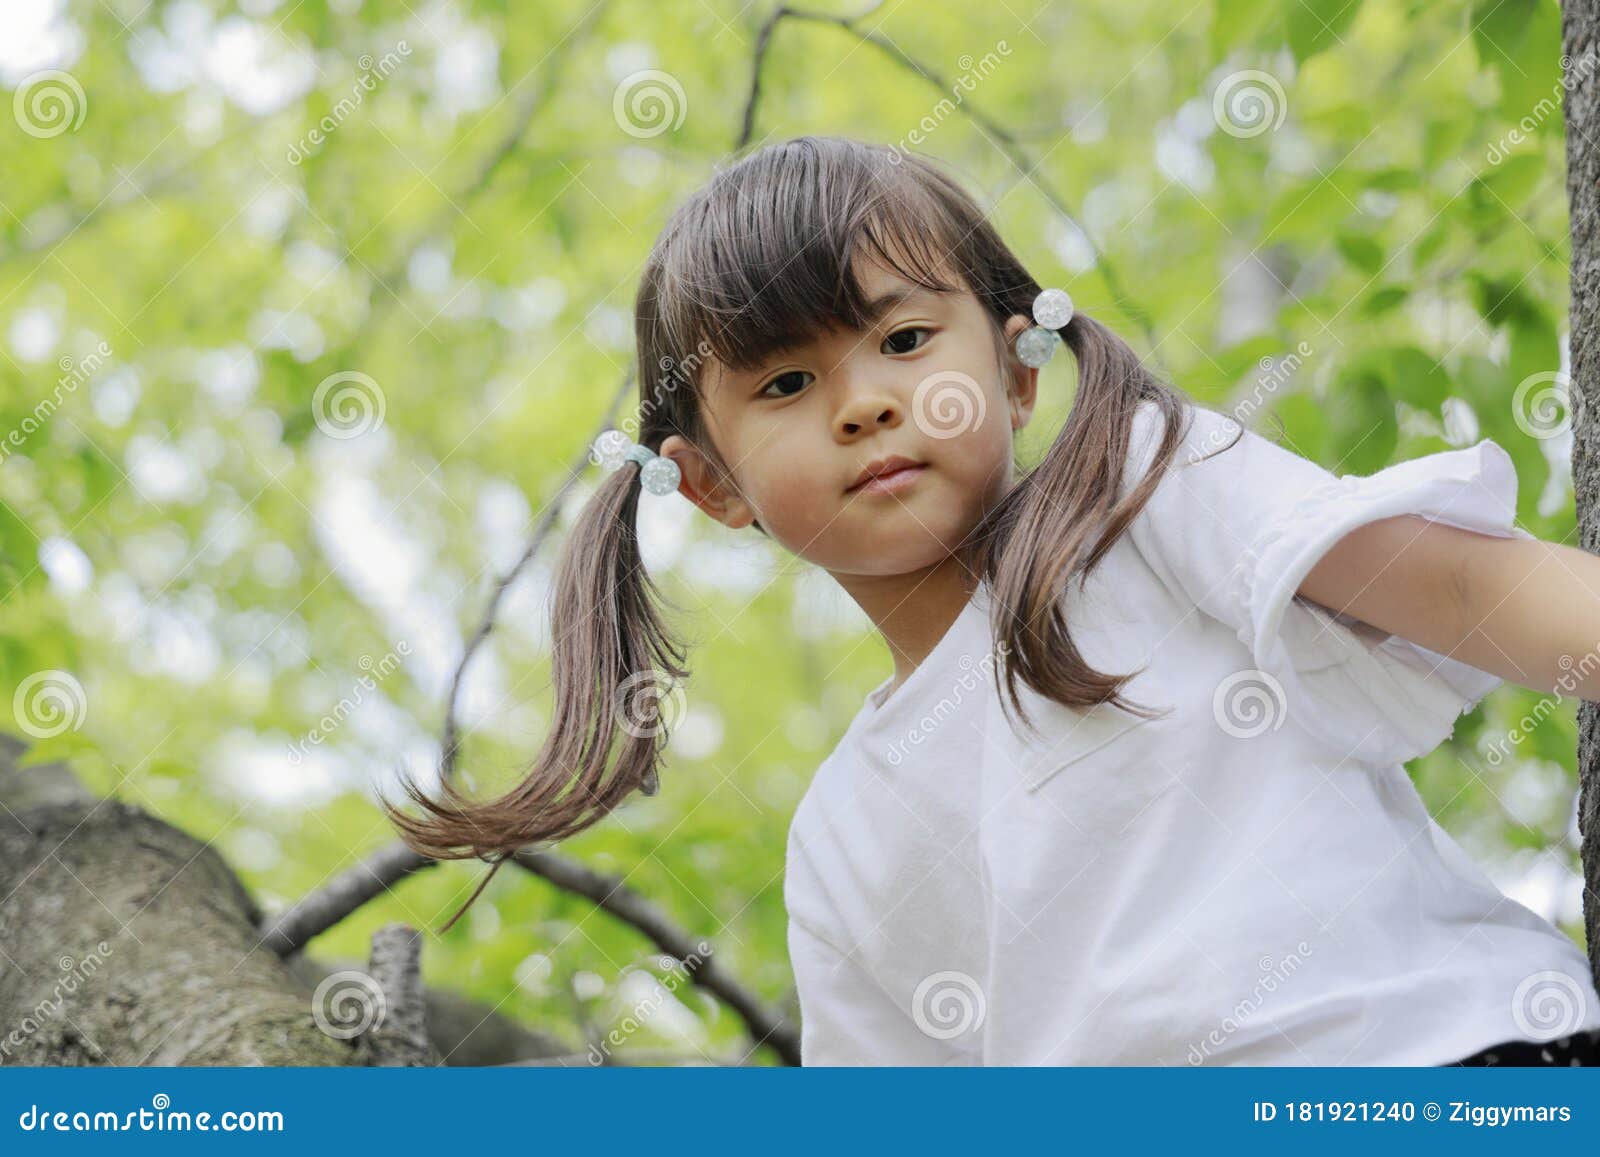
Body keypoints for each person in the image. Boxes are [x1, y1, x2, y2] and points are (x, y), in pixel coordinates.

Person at [383, 134, 1600, 1066]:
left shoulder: (1145, 492)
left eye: (905, 340)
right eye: (790, 380)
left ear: (1016, 367)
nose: (862, 401)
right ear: (709, 484)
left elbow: (1470, 588)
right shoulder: (840, 841)